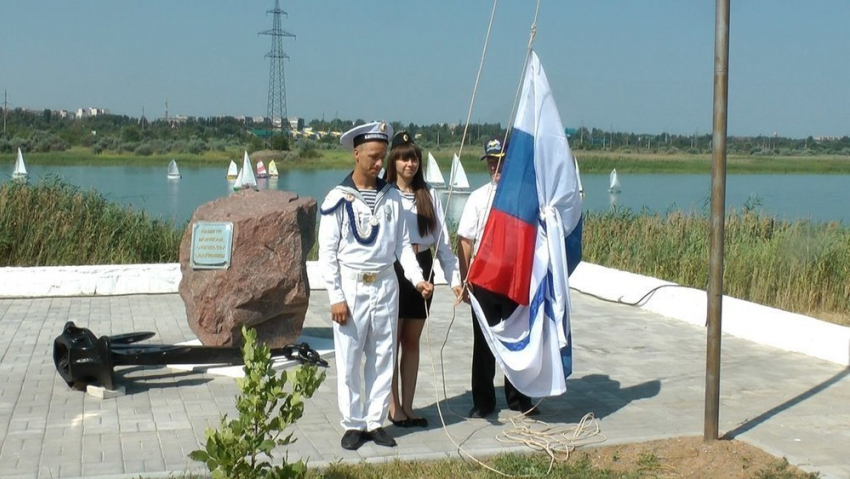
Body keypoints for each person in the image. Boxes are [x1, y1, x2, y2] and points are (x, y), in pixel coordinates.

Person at [318, 121, 435, 451]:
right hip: (352, 285)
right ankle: (353, 423)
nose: (378, 163)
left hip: (386, 285)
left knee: (383, 354)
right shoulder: (338, 198)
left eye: (382, 157)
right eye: (372, 156)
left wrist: (417, 280)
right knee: (351, 356)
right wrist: (336, 297)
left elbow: (402, 245)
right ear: (356, 154)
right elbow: (327, 253)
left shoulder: (391, 198)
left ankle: (375, 421)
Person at [383, 131, 463, 429]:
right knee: (391, 341)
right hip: (393, 269)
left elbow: (442, 245)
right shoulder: (386, 194)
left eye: (414, 157)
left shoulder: (429, 195)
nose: (410, 164)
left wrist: (454, 279)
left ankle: (408, 405)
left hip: (423, 267)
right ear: (394, 160)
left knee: (411, 341)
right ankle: (393, 407)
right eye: (404, 157)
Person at [456, 135, 540, 418]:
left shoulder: (522, 196)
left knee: (518, 339)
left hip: (514, 280)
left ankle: (519, 398)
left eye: (501, 162)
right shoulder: (477, 197)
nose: (496, 168)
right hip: (484, 281)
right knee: (484, 345)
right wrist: (464, 280)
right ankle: (483, 402)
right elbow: (465, 241)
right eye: (492, 162)